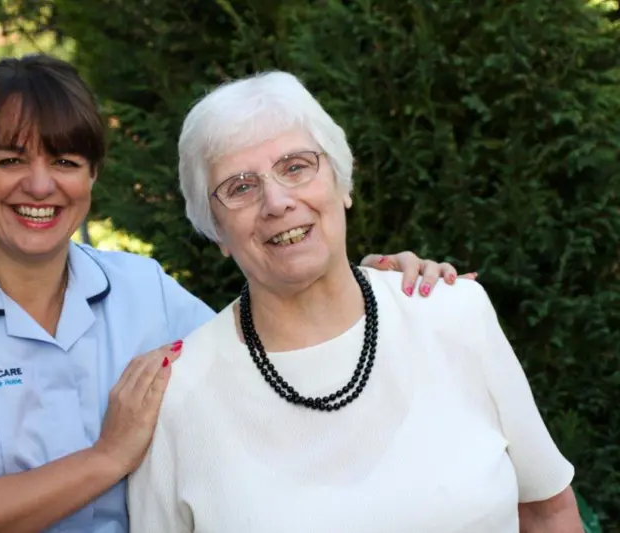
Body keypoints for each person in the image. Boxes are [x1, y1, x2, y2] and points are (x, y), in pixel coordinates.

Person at [0, 54, 470, 533]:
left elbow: (270, 349)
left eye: (65, 162)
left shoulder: (141, 288)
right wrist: (106, 458)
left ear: (92, 176)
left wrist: (366, 283)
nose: (39, 185)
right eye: (11, 160)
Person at [127, 71, 583, 532]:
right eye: (241, 187)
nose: (277, 202)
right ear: (216, 231)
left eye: (295, 167)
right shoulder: (177, 400)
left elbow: (548, 513)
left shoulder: (455, 315)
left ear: (342, 183)